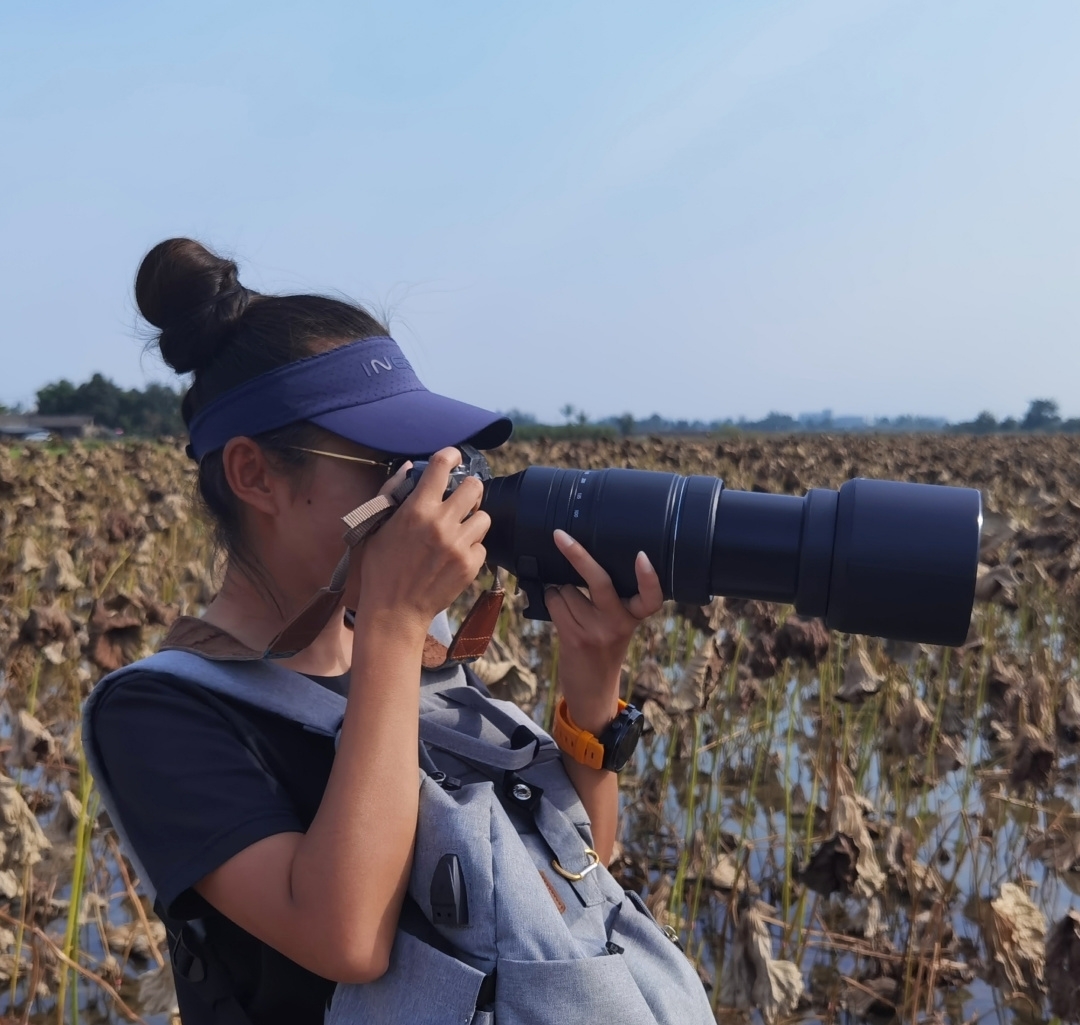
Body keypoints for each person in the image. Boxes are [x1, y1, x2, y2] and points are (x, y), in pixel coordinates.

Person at [85, 238, 714, 1025]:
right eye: (390, 461)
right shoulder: (161, 711)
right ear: (254, 475)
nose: (431, 488)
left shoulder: (420, 645)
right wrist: (389, 621)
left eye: (435, 458)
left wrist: (592, 678)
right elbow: (346, 936)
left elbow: (582, 866)